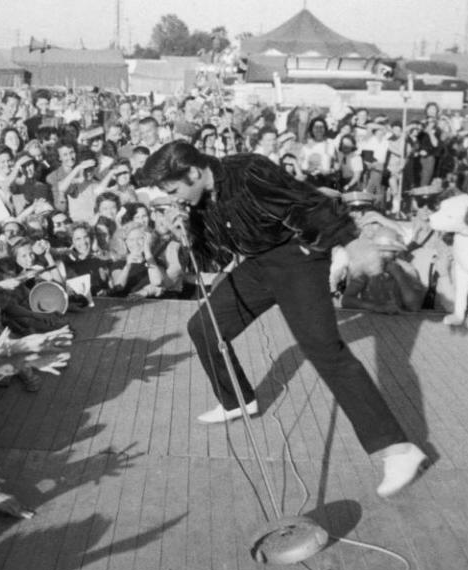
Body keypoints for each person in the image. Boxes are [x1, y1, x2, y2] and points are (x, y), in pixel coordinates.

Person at [141, 141, 426, 498]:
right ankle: (237, 400)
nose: (175, 198)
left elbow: (312, 203)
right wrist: (185, 233)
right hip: (258, 264)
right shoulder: (198, 201)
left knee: (324, 349)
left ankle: (398, 450)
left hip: (298, 258)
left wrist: (351, 243)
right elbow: (213, 253)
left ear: (194, 172)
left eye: (174, 189)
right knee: (204, 327)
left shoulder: (249, 172)